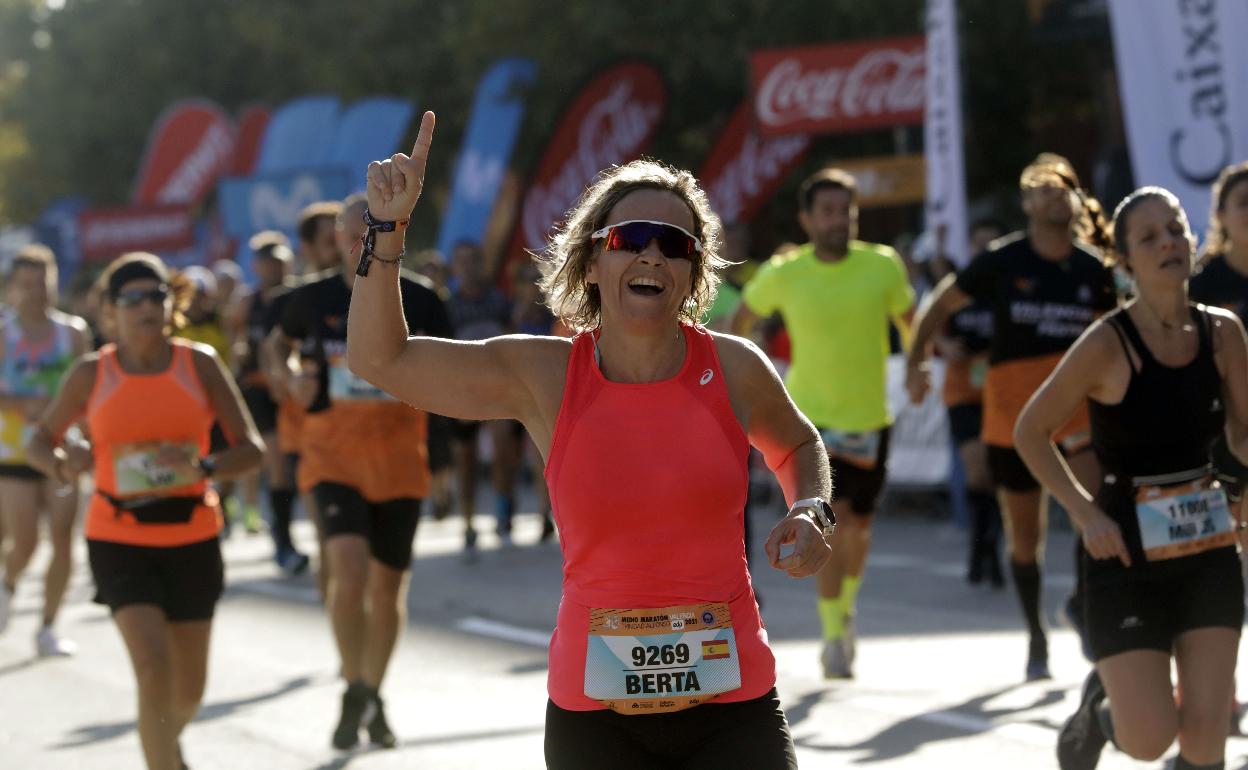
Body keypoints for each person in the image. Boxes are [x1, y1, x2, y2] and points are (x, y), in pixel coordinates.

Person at [351, 111, 834, 770]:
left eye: (675, 244)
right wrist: (388, 229)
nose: (652, 255)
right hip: (596, 722)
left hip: (734, 708)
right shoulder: (546, 377)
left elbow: (799, 447)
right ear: (591, 260)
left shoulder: (734, 367)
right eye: (632, 237)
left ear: (692, 274)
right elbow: (382, 360)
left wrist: (811, 509)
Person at [1014, 187, 1248, 770]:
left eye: (1175, 229)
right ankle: (1100, 712)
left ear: (1193, 241)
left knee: (1206, 742)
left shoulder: (1223, 333)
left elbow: (1245, 434)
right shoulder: (1107, 343)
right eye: (1149, 237)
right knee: (1148, 740)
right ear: (1125, 260)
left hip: (1209, 545)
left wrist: (1245, 497)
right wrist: (1084, 511)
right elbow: (1030, 431)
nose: (1167, 242)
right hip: (1123, 551)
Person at [26, 251, 264, 770]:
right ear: (110, 310)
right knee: (154, 673)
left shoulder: (198, 362)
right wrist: (68, 466)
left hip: (194, 535)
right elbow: (38, 443)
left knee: (188, 690)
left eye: (155, 295)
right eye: (131, 298)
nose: (145, 306)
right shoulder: (92, 373)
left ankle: (166, 751)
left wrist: (203, 465)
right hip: (118, 537)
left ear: (169, 303)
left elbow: (252, 450)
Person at [906, 154, 1118, 680]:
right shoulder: (1002, 261)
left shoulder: (1094, 269)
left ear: (1076, 198)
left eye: (1063, 187)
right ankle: (1036, 635)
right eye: (1040, 189)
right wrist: (918, 359)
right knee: (1026, 540)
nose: (1054, 196)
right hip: (1013, 416)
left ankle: (1083, 604)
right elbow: (937, 304)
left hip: (1076, 411)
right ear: (1025, 203)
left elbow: (1119, 339)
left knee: (1099, 512)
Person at [268, 191, 452, 750]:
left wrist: (441, 463)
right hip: (332, 455)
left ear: (395, 234)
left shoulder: (422, 301)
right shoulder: (310, 299)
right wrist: (288, 378)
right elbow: (277, 348)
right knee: (347, 572)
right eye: (348, 236)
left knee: (389, 585)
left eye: (370, 232)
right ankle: (352, 683)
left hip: (399, 461)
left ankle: (371, 689)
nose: (357, 245)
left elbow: (448, 383)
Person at [732, 168, 916, 679]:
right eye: (829, 212)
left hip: (869, 421)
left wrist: (920, 363)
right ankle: (833, 634)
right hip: (809, 426)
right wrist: (741, 370)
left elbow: (910, 319)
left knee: (860, 527)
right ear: (807, 219)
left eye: (847, 212)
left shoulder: (882, 266)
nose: (840, 222)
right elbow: (742, 318)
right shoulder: (785, 272)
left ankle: (845, 607)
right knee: (827, 521)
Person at [0, 245, 92, 655]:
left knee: (63, 536)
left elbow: (89, 391)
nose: (36, 293)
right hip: (13, 452)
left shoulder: (72, 332)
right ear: (12, 289)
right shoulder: (4, 335)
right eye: (27, 285)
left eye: (44, 283)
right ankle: (8, 583)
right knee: (25, 541)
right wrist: (21, 405)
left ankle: (48, 627)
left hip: (62, 450)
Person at [919, 220, 1007, 587]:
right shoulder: (960, 287)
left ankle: (992, 550)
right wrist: (945, 346)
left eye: (993, 245)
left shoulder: (1008, 288)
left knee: (997, 476)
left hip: (1001, 393)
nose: (986, 251)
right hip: (962, 393)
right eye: (980, 245)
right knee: (977, 471)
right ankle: (978, 545)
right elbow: (931, 318)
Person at [233, 232, 308, 575]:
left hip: (296, 390)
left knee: (302, 465)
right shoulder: (247, 302)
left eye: (280, 261)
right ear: (256, 265)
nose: (274, 268)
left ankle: (295, 531)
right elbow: (236, 338)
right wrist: (242, 357)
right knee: (277, 460)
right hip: (262, 393)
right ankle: (283, 540)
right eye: (267, 262)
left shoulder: (300, 296)